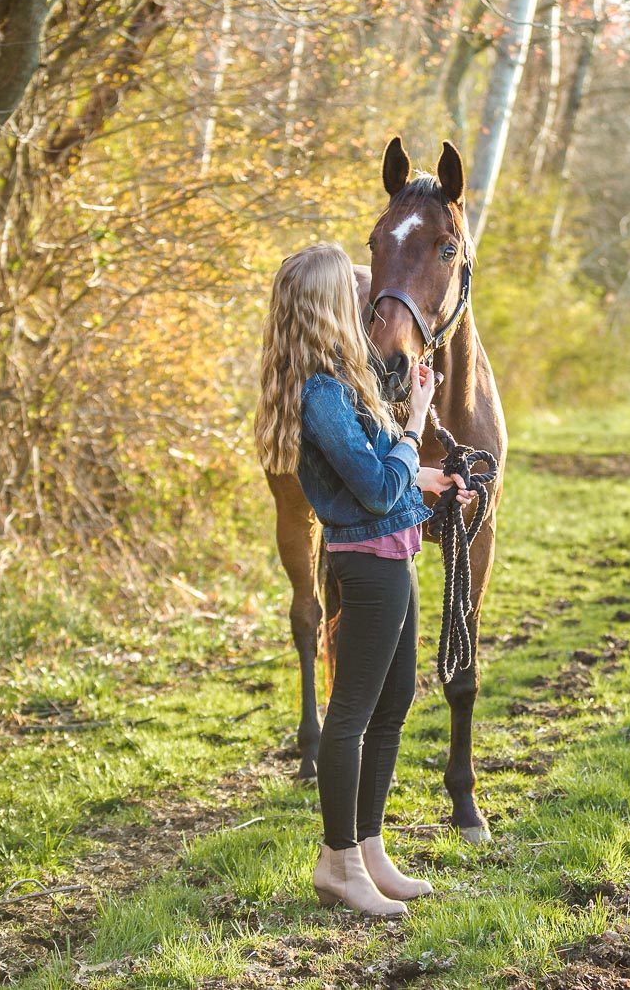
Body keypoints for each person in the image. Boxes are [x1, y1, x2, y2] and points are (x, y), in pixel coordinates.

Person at [255, 242, 473, 917]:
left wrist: (430, 480)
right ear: (325, 306)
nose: (366, 298)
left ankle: (370, 847)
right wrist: (414, 428)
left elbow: (388, 477)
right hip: (367, 562)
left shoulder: (346, 384)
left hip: (394, 555)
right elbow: (378, 489)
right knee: (349, 716)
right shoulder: (318, 396)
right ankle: (337, 861)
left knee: (395, 697)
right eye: (351, 290)